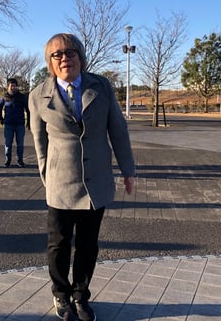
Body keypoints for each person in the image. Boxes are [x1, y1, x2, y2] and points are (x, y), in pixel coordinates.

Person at [29, 33, 136, 321]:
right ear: (50, 62)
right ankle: (60, 294)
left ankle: (80, 296)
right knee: (59, 244)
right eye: (57, 54)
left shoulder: (101, 86)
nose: (65, 58)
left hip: (96, 180)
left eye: (70, 52)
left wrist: (128, 170)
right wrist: (47, 176)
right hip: (60, 181)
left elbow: (118, 129)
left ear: (80, 56)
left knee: (88, 244)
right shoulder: (38, 95)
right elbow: (40, 142)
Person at [0, 78, 30, 168]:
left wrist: (29, 121)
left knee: (20, 144)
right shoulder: (4, 97)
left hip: (20, 124)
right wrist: (0, 118)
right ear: (8, 87)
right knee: (8, 143)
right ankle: (8, 160)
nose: (13, 88)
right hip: (8, 124)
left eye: (15, 86)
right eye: (11, 86)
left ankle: (20, 160)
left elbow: (28, 109)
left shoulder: (22, 97)